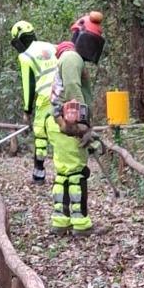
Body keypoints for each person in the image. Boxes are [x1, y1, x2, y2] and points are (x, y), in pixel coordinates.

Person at [45, 56, 97, 235]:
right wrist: (82, 125)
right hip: (68, 121)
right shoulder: (71, 59)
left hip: (55, 121)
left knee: (63, 173)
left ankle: (61, 221)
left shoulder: (61, 63)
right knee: (76, 172)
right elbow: (73, 89)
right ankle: (81, 223)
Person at [10, 19, 56, 184]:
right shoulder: (52, 47)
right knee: (61, 132)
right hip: (64, 93)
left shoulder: (25, 56)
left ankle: (39, 173)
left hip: (45, 97)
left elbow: (28, 84)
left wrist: (27, 110)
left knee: (41, 135)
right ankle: (69, 173)